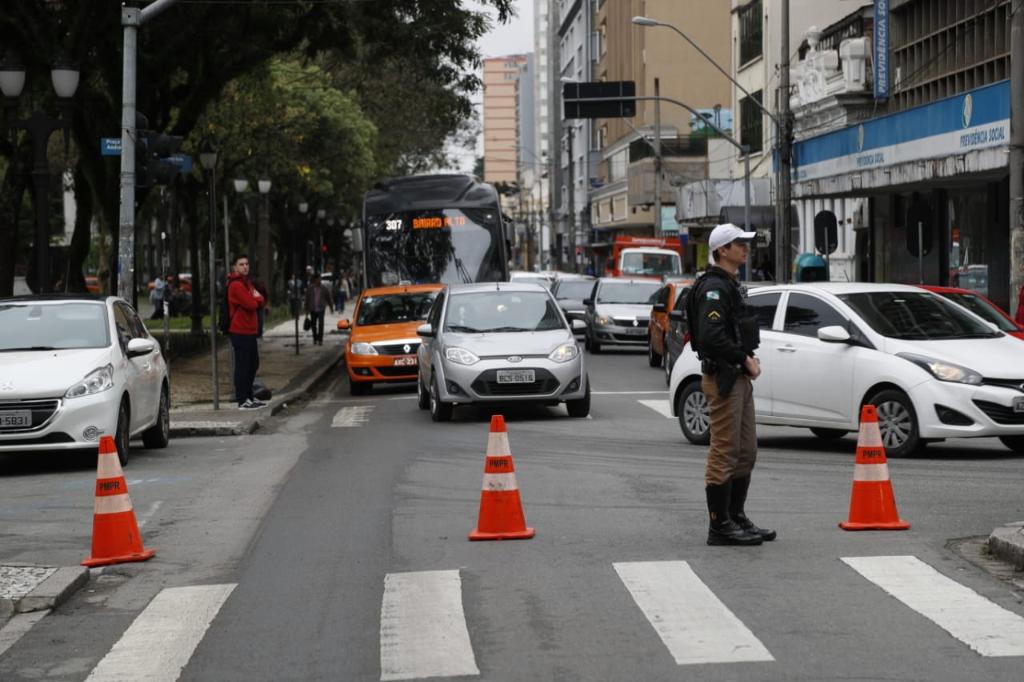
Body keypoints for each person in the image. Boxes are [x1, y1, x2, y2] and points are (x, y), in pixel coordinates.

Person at [687, 223, 774, 546]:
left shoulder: (729, 284)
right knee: (724, 451)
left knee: (745, 450)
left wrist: (745, 359)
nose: (746, 248)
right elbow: (711, 337)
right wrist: (744, 359)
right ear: (723, 250)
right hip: (724, 377)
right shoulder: (714, 287)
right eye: (739, 243)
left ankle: (736, 517)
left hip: (737, 375)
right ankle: (719, 525)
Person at [226, 254, 267, 410]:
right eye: (241, 264)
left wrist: (255, 300)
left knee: (252, 364)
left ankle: (249, 396)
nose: (245, 266)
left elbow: (261, 299)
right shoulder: (236, 285)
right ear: (235, 267)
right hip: (240, 330)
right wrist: (254, 300)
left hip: (250, 331)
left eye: (246, 264)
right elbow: (251, 304)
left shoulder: (247, 284)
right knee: (243, 366)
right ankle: (242, 399)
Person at [305, 273, 333, 345]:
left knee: (321, 324)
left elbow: (328, 298)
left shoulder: (324, 288)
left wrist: (331, 307)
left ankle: (320, 339)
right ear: (315, 279)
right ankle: (315, 338)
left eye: (320, 279)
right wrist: (306, 310)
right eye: (318, 279)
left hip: (321, 308)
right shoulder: (310, 288)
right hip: (313, 309)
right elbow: (307, 299)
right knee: (313, 325)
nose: (319, 280)